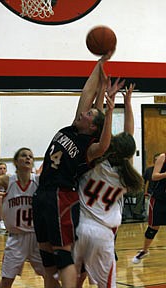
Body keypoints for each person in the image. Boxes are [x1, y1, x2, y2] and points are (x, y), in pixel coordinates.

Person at [32, 52, 125, 288]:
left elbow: (104, 143)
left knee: (62, 255)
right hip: (42, 193)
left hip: (61, 195)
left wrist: (110, 109)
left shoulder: (90, 148)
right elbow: (87, 93)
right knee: (48, 263)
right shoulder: (74, 128)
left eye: (89, 114)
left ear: (92, 125)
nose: (83, 112)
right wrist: (100, 63)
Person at [73, 84, 144, 287]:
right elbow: (129, 135)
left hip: (80, 228)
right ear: (129, 155)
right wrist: (129, 103)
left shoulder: (95, 162)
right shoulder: (126, 176)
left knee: (76, 279)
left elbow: (114, 135)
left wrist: (112, 107)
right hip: (103, 234)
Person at [0, 148, 58, 288]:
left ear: (33, 163)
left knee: (50, 276)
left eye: (30, 157)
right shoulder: (8, 180)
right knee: (7, 280)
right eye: (23, 155)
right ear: (16, 161)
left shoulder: (39, 181)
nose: (28, 158)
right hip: (16, 237)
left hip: (37, 238)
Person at [132, 152, 166, 264]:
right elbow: (154, 176)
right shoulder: (163, 157)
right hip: (159, 198)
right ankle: (144, 250)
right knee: (153, 227)